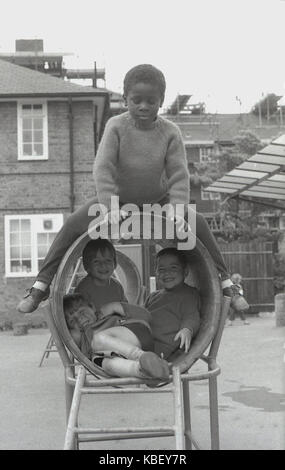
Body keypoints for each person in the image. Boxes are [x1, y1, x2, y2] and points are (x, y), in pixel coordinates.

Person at [17, 63, 233, 314]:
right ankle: (40, 286)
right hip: (117, 202)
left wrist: (177, 210)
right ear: (125, 98)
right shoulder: (116, 126)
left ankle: (226, 282)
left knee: (199, 224)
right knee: (73, 223)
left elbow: (178, 175)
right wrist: (110, 206)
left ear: (161, 101)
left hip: (158, 201)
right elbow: (103, 167)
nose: (143, 106)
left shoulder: (170, 132)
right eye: (136, 100)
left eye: (150, 101)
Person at [63, 239, 170, 381]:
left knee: (99, 338)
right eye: (96, 262)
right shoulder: (83, 289)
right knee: (109, 365)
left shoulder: (115, 287)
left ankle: (142, 356)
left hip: (128, 333)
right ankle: (143, 370)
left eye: (108, 261)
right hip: (103, 353)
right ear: (87, 266)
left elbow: (141, 314)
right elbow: (69, 335)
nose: (103, 266)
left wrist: (115, 307)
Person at [145, 247, 201, 360]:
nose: (167, 273)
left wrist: (187, 329)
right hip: (144, 343)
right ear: (156, 273)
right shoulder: (153, 296)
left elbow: (191, 315)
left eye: (173, 268)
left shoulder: (188, 294)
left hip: (167, 350)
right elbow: (142, 316)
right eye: (161, 269)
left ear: (185, 271)